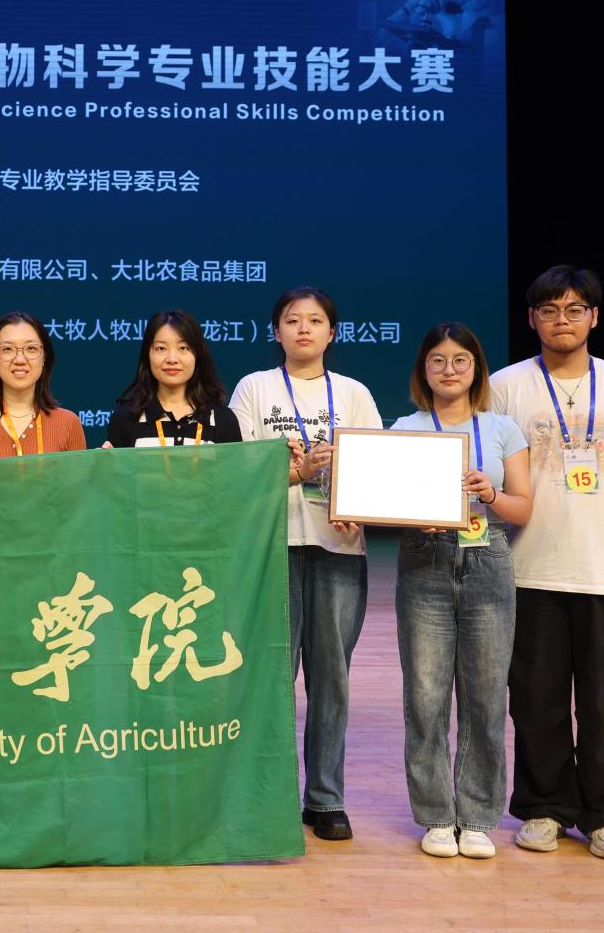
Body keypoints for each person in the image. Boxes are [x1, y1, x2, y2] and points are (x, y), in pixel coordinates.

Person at [489, 266, 604, 861]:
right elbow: (484, 470)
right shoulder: (505, 386)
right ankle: (544, 808)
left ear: (594, 317)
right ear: (531, 319)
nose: (561, 320)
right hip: (528, 568)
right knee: (535, 698)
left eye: (574, 309)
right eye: (549, 310)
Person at [227, 286, 382, 841]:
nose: (303, 329)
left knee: (331, 678)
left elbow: (378, 466)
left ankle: (326, 799)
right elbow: (239, 469)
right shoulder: (254, 388)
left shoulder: (355, 393)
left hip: (338, 548)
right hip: (271, 547)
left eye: (315, 320)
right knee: (272, 676)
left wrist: (359, 505)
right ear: (276, 331)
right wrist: (295, 469)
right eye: (292, 320)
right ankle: (268, 797)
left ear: (331, 332)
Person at [386, 323, 532, 859]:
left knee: (486, 697)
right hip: (423, 560)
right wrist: (411, 515)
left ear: (477, 368)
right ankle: (435, 816)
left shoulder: (502, 428)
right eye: (438, 360)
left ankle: (476, 817)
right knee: (425, 697)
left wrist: (489, 492)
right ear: (423, 369)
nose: (449, 369)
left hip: (487, 556)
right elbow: (384, 500)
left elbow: (523, 507)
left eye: (460, 360)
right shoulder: (405, 428)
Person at [0, 311, 88, 459]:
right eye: (7, 349)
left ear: (44, 357)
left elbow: (81, 475)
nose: (20, 360)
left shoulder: (68, 424)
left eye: (31, 348)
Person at [105, 309, 242, 448]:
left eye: (183, 348)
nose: (172, 359)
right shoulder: (126, 417)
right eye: (161, 348)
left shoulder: (223, 420)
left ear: (197, 355)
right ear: (147, 355)